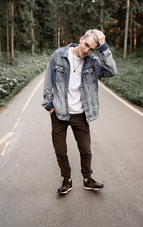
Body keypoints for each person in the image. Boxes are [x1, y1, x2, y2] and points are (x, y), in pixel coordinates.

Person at [42, 29, 117, 195]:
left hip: (81, 114)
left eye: (92, 49)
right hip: (59, 113)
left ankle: (87, 179)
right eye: (86, 45)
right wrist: (49, 106)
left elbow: (111, 71)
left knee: (86, 150)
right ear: (81, 39)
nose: (86, 50)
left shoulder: (93, 62)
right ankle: (66, 179)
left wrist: (104, 47)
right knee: (60, 150)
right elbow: (49, 80)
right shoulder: (59, 55)